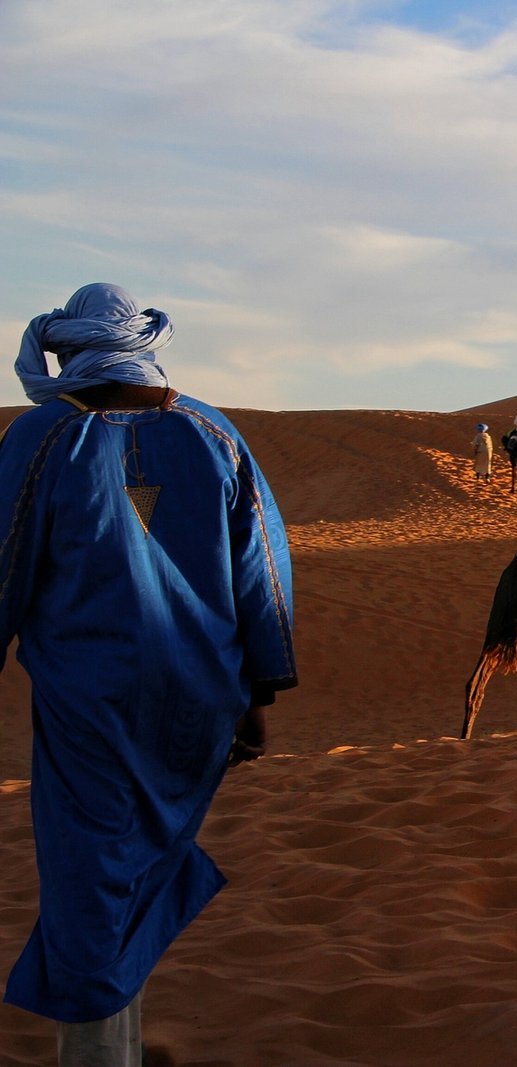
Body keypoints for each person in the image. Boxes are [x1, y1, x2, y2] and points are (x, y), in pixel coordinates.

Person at [0, 283, 297, 1063]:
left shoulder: (41, 438)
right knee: (127, 868)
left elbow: (3, 562)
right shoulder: (213, 432)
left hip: (89, 705)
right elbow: (263, 575)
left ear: (72, 348)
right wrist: (258, 695)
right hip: (196, 704)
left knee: (89, 882)